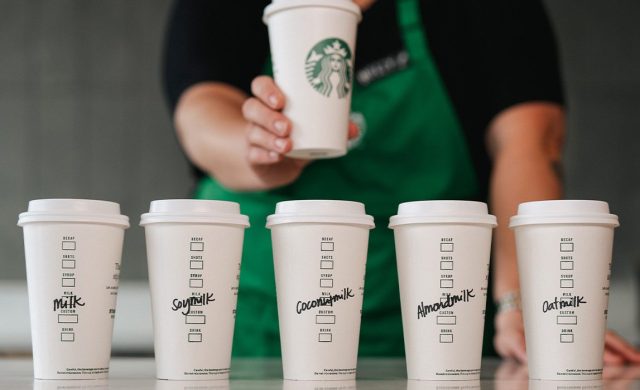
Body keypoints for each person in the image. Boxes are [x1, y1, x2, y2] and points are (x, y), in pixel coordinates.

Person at [163, 0, 640, 363]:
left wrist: (525, 302)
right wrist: (262, 146)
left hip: (443, 324)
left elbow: (529, 143)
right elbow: (200, 112)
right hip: (252, 328)